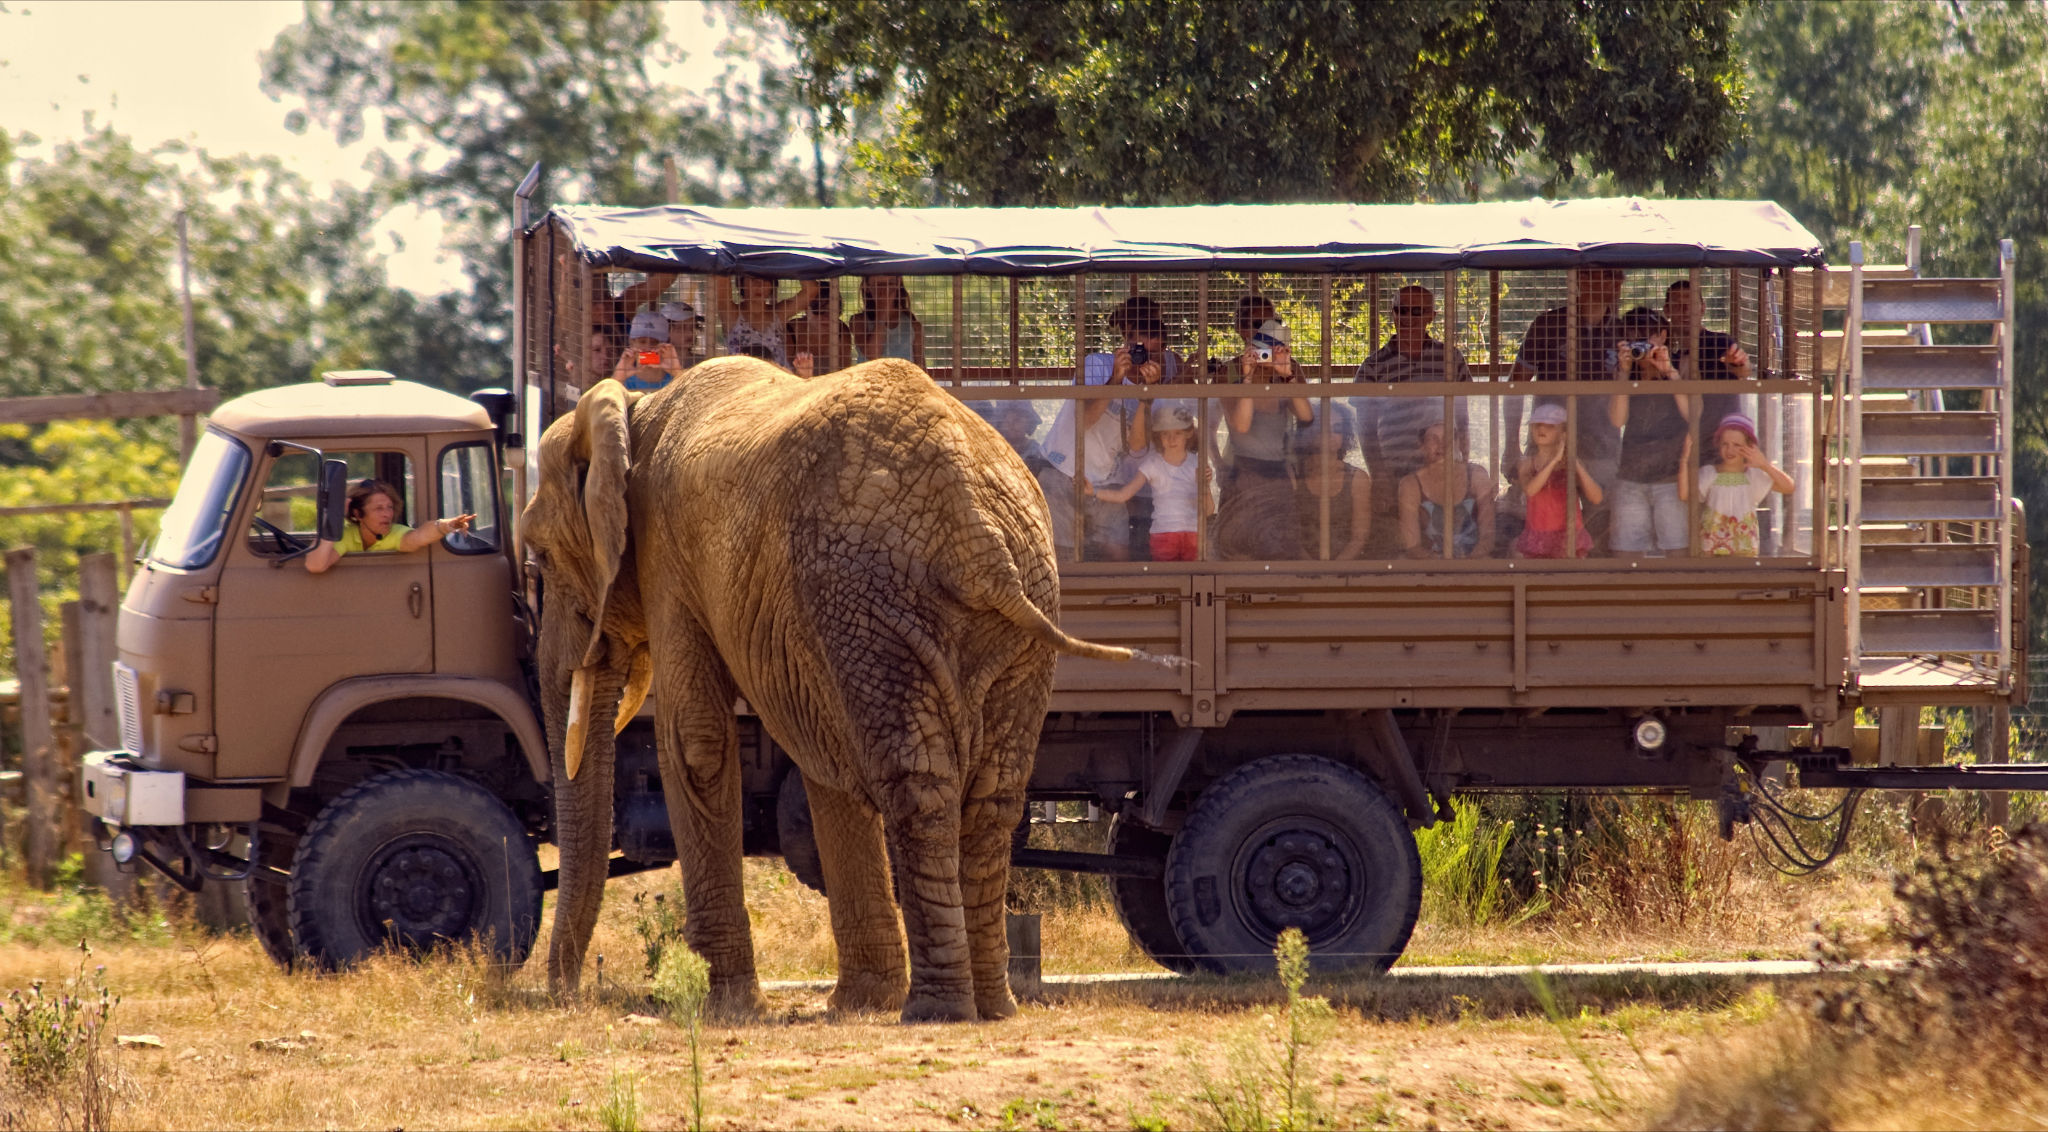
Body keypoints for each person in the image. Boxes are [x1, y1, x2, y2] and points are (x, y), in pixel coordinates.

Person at [1039, 296, 1186, 561]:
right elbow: (1084, 420)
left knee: (1119, 559)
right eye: (1139, 350)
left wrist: (1146, 394)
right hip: (1064, 475)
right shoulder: (1097, 365)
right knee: (1061, 559)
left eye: (1154, 354)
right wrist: (1116, 379)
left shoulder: (1156, 389)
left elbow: (1138, 447)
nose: (1145, 359)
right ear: (1126, 345)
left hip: (1108, 485)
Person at [1504, 266, 1624, 541]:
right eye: (1607, 274)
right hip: (1549, 448)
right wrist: (1511, 445)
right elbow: (1515, 385)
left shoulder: (1621, 330)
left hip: (1601, 448)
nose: (1616, 282)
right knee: (1542, 523)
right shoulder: (1548, 325)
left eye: (1618, 276)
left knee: (1601, 530)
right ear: (1580, 278)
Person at [1353, 284, 1473, 554]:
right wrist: (1380, 476)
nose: (1408, 317)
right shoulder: (1372, 366)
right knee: (1404, 548)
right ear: (1392, 314)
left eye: (1417, 311)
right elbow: (1366, 429)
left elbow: (1463, 421)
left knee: (1447, 546)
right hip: (1396, 472)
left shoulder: (1451, 359)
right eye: (1401, 310)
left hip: (1443, 472)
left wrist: (1462, 467)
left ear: (1431, 315)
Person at [1215, 312, 1313, 559]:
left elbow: (1306, 417)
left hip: (1279, 473)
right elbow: (1241, 426)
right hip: (1243, 473)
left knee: (1281, 543)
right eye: (1262, 348)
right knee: (1241, 544)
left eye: (1274, 348)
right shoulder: (1232, 372)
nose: (1266, 354)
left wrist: (1286, 374)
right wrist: (1248, 377)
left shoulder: (1287, 374)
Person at [1605, 307, 1698, 557]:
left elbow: (1694, 416)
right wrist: (1623, 373)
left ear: (1663, 336)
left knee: (1678, 553)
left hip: (1671, 479)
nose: (1641, 346)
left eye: (1647, 338)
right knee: (1626, 555)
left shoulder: (1680, 365)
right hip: (1631, 476)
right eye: (1634, 338)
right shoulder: (1624, 371)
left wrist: (1669, 372)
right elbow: (1617, 420)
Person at [1084, 400, 1212, 562]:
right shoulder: (1152, 464)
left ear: (1188, 433)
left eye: (1177, 433)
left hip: (1195, 534)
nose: (1171, 439)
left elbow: (1208, 510)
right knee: (1167, 584)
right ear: (1157, 436)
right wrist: (1093, 491)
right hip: (1164, 535)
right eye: (1165, 433)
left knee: (1194, 582)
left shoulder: (1198, 464)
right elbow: (1124, 495)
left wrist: (1205, 486)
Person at [1663, 279, 1753, 462]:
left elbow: (1743, 370)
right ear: (1667, 310)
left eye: (1691, 304)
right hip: (1681, 446)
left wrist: (1738, 363)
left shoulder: (1719, 343)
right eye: (1678, 304)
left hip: (1720, 446)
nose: (1685, 310)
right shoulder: (1667, 353)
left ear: (1702, 308)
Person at [305, 479, 472, 574]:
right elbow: (315, 565)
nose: (387, 514)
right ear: (358, 514)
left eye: (389, 507)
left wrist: (447, 526)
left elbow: (419, 536)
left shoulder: (395, 533)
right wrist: (334, 518)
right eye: (378, 509)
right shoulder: (347, 535)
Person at [1691, 413, 1794, 557]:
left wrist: (1764, 465)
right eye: (1725, 444)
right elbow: (1688, 497)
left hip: (1744, 551)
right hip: (1712, 550)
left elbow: (1788, 487)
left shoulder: (1753, 476)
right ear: (1718, 444)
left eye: (1737, 445)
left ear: (1750, 447)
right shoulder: (1709, 473)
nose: (1730, 450)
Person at [1512, 403, 1601, 558]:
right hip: (1537, 538)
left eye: (1550, 426)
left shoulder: (1573, 465)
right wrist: (1553, 461)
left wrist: (1576, 463)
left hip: (1569, 538)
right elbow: (1531, 490)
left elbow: (1596, 497)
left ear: (1564, 433)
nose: (1541, 429)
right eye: (1537, 425)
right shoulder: (1526, 464)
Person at [1399, 421, 1495, 559]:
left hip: (1475, 564)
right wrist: (1442, 568)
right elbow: (1412, 546)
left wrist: (1469, 563)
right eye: (1433, 439)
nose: (1441, 445)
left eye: (1448, 438)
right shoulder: (1410, 485)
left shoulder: (1476, 475)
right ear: (1422, 445)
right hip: (1430, 568)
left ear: (1456, 443)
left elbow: (1488, 537)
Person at [1292, 404, 1372, 560]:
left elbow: (1359, 538)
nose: (1330, 434)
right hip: (1299, 572)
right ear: (1308, 431)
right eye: (1323, 427)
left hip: (1345, 574)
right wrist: (1310, 569)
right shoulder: (1294, 475)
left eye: (1337, 429)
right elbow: (1289, 535)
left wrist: (1334, 571)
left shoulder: (1357, 478)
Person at [710, 273, 819, 369]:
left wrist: (790, 256)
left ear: (772, 286)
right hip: (744, 383)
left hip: (777, 384)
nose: (759, 285)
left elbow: (811, 290)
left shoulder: (779, 313)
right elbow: (721, 274)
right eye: (753, 280)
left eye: (765, 280)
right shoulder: (731, 314)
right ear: (741, 283)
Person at [850, 275, 926, 366]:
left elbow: (920, 368)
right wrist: (882, 312)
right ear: (867, 287)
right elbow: (873, 355)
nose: (884, 290)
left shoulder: (914, 326)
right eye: (877, 284)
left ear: (898, 285)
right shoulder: (859, 321)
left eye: (889, 284)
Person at [784, 287, 857, 378]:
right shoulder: (790, 333)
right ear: (806, 308)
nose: (826, 317)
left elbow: (845, 373)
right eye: (818, 310)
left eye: (832, 311)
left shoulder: (841, 332)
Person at [609, 309, 685, 393]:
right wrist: (618, 377)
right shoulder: (623, 381)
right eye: (642, 341)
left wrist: (677, 371)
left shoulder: (676, 379)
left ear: (666, 345)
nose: (647, 348)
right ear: (631, 343)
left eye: (654, 342)